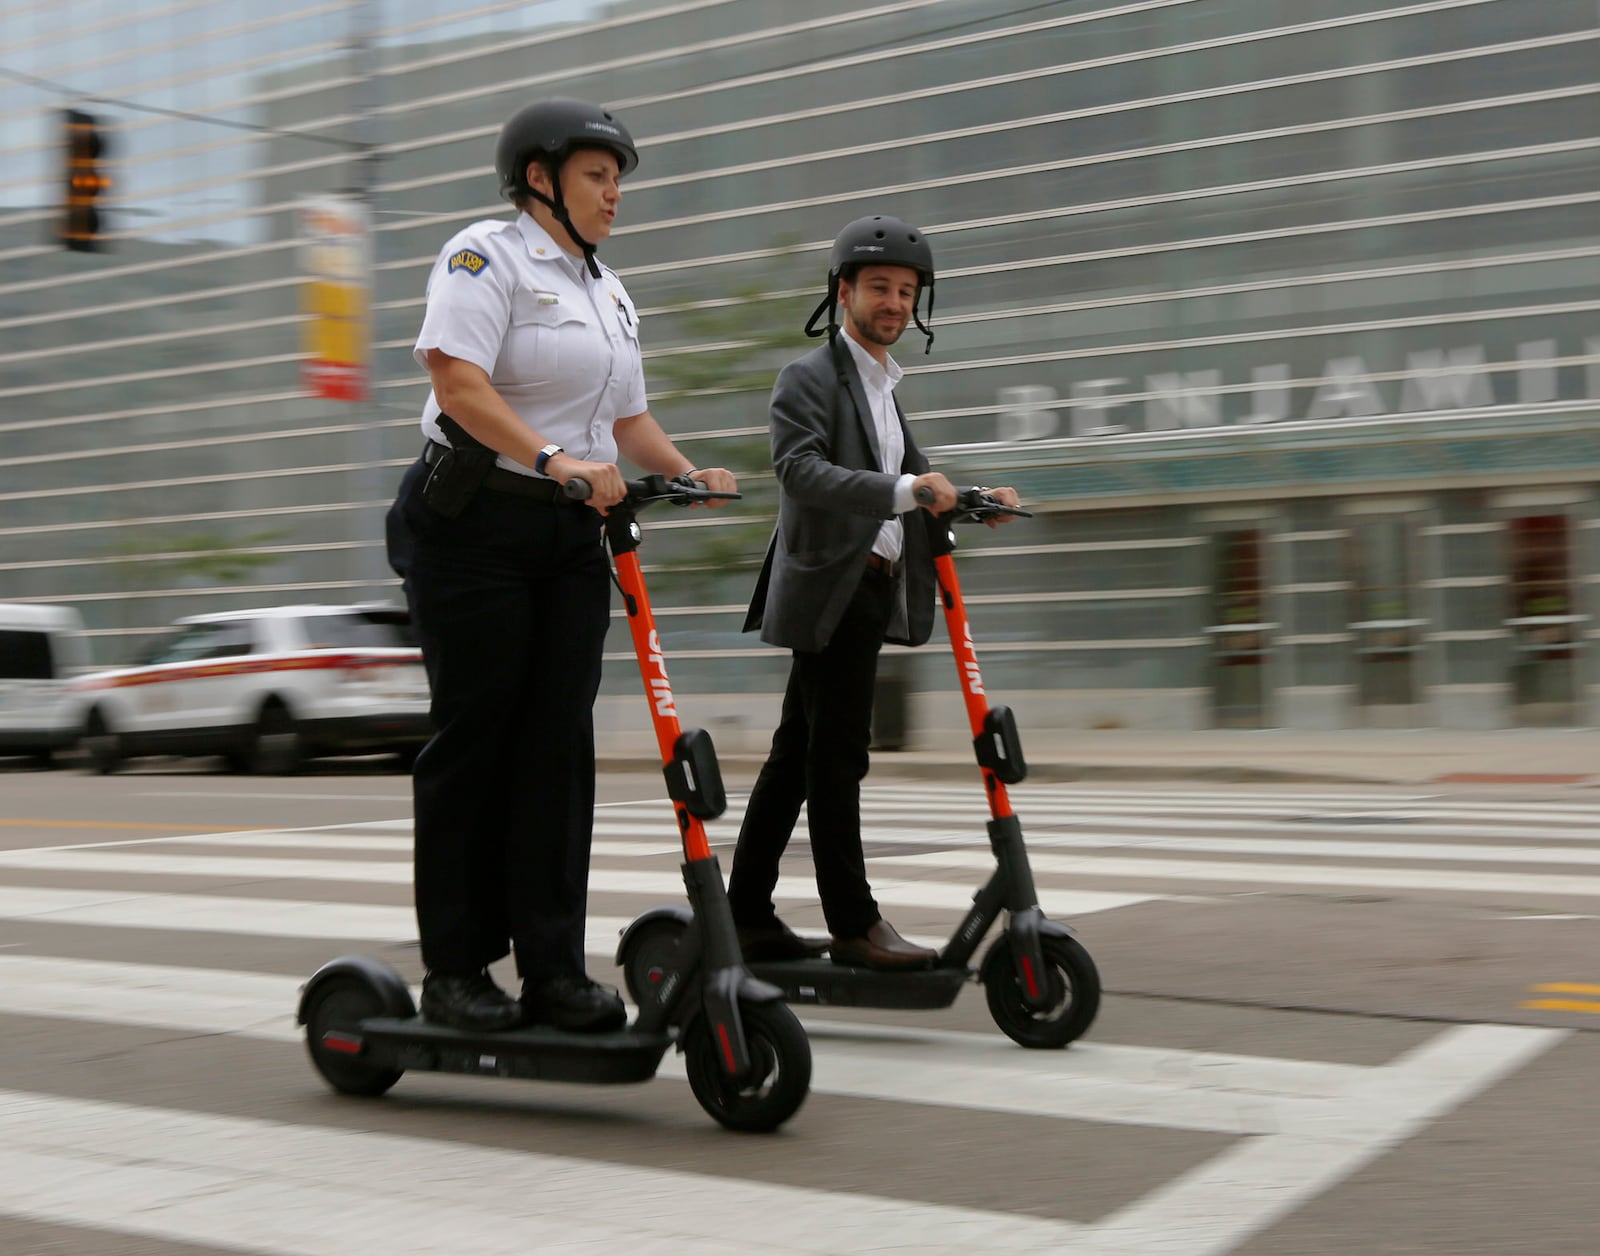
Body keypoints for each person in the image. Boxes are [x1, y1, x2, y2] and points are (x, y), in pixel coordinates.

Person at [386, 98, 736, 1033]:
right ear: (540, 179)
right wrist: (551, 460)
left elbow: (625, 424)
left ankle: (552, 969)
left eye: (619, 179)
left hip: (569, 535)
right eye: (597, 175)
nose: (615, 193)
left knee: (556, 753)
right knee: (477, 741)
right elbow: (456, 384)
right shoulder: (484, 256)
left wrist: (685, 470)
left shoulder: (609, 293)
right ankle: (456, 972)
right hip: (471, 526)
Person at [727, 214, 1020, 971]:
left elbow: (919, 480)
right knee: (835, 759)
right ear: (844, 291)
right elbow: (799, 470)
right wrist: (906, 489)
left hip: (871, 586)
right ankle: (853, 924)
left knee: (797, 755)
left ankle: (746, 915)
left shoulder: (885, 388)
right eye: (880, 288)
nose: (894, 302)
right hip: (834, 587)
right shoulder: (810, 377)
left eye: (906, 291)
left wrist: (975, 498)